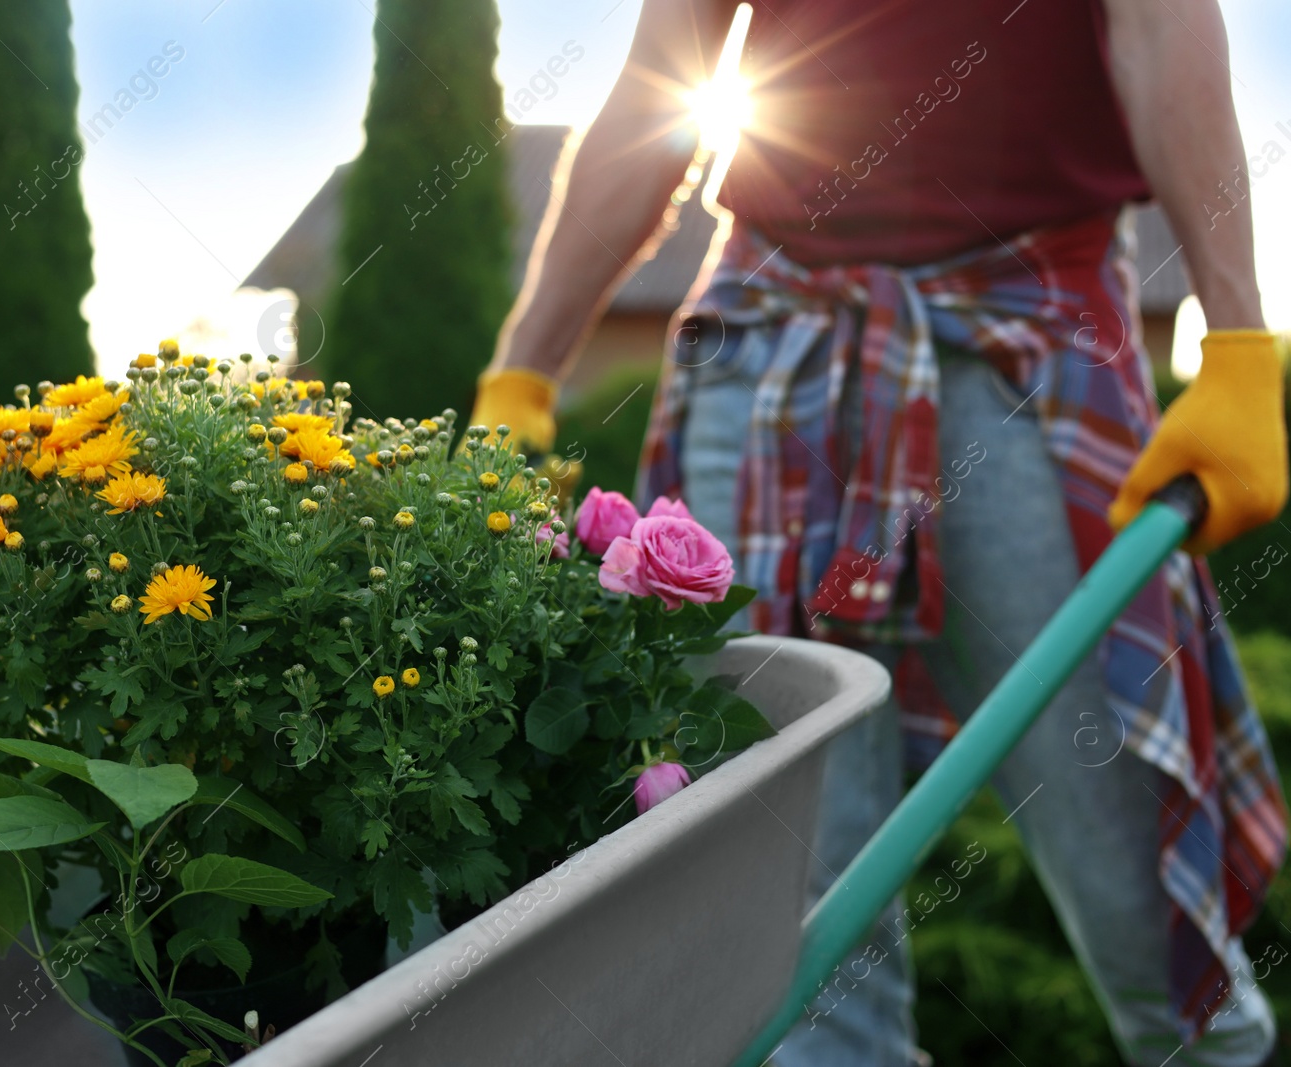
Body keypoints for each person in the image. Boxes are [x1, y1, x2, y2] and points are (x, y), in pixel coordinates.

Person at [467, 0, 1289, 1064]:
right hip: (775, 357)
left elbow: (1157, 18)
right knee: (799, 906)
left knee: (1132, 873)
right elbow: (655, 82)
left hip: (1021, 349)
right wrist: (523, 369)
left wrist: (1236, 337)